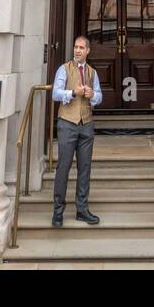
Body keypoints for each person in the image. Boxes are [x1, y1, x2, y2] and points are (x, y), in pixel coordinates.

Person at [51, 36, 102, 226]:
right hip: (67, 124)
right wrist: (73, 93)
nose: (77, 51)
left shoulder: (92, 72)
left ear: (88, 50)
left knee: (85, 168)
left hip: (86, 124)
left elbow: (99, 96)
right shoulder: (64, 69)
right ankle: (58, 211)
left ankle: (82, 209)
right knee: (63, 168)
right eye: (76, 47)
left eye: (81, 48)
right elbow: (56, 93)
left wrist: (92, 95)